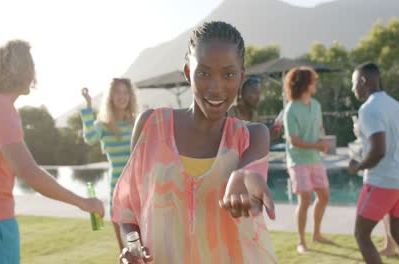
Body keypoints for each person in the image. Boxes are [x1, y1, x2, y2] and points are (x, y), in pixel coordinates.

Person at [113, 21, 277, 263]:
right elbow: (128, 209)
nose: (216, 87)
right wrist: (133, 248)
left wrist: (244, 174)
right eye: (204, 73)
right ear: (189, 73)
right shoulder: (151, 126)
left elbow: (249, 170)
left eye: (229, 74)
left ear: (241, 78)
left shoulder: (252, 136)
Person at [0, 40, 104, 264]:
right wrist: (83, 202)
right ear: (23, 71)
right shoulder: (1, 110)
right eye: (31, 67)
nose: (34, 74)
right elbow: (29, 172)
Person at [348, 62, 399, 264]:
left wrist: (357, 166)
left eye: (354, 84)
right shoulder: (398, 107)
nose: (353, 89)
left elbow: (379, 150)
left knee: (361, 235)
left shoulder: (368, 109)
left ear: (363, 81)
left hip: (382, 181)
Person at [80, 78, 138, 247]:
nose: (122, 96)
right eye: (118, 92)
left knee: (144, 247)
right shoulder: (104, 125)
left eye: (125, 92)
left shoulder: (136, 122)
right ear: (111, 96)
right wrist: (88, 106)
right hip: (117, 187)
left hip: (139, 187)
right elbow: (90, 138)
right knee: (125, 249)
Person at [283, 66, 332, 253]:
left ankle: (317, 234)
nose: (316, 83)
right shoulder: (290, 110)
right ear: (305, 83)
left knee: (324, 196)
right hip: (298, 161)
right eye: (313, 80)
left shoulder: (316, 105)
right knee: (305, 200)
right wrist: (317, 146)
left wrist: (322, 140)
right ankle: (301, 242)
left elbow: (319, 128)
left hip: (315, 159)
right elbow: (294, 141)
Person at [353, 115, 398, 257]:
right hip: (389, 173)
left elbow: (376, 148)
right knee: (387, 213)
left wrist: (359, 131)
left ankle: (391, 246)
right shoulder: (390, 116)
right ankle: (390, 245)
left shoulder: (373, 116)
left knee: (362, 232)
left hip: (382, 176)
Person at [227, 76, 283, 140]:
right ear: (242, 93)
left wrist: (270, 134)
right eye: (255, 93)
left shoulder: (254, 115)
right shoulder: (231, 114)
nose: (258, 98)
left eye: (259, 94)